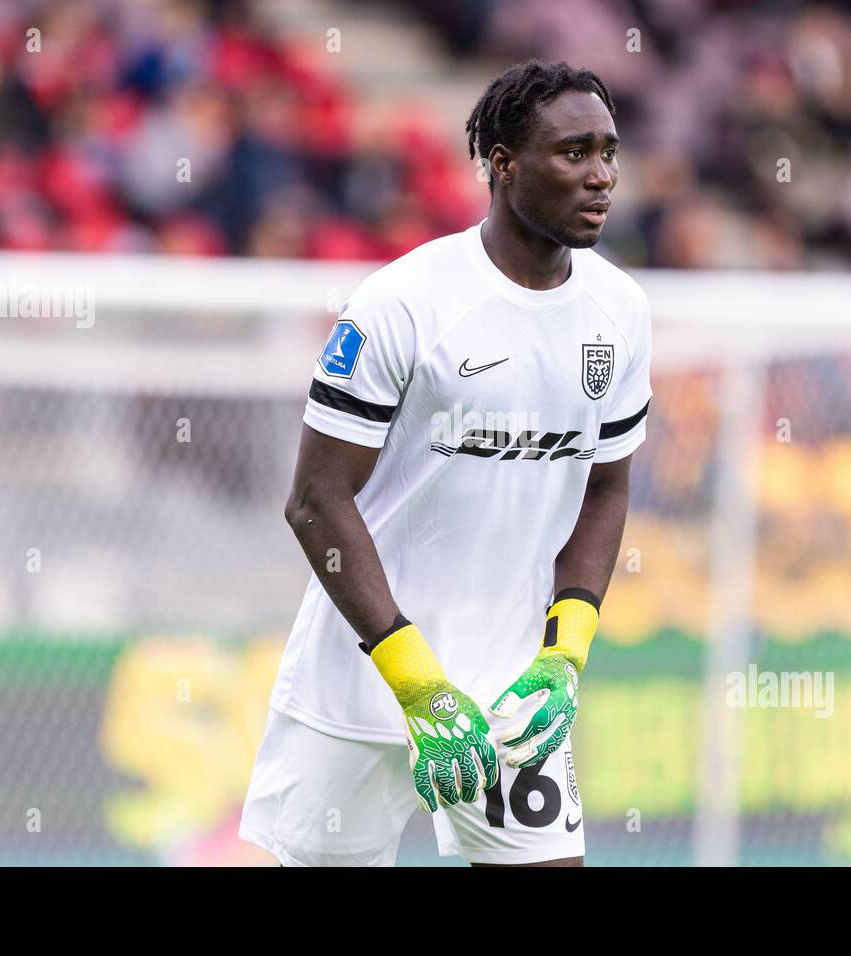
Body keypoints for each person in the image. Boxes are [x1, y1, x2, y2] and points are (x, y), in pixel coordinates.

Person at [240, 59, 652, 867]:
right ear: (502, 163)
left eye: (609, 151)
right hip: (363, 682)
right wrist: (419, 684)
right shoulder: (403, 304)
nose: (601, 176)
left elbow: (605, 488)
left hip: (512, 693)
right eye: (574, 153)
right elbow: (315, 502)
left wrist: (565, 654)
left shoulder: (620, 312)